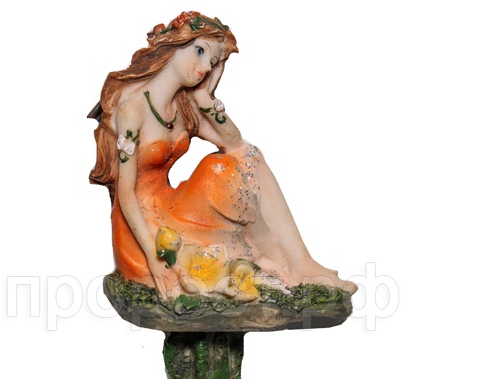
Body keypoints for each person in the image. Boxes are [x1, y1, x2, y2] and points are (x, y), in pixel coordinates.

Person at [88, 11, 357, 300]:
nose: (205, 66)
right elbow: (125, 194)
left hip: (171, 205)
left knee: (248, 156)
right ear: (175, 45)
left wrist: (206, 97)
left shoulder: (184, 106)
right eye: (200, 51)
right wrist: (154, 259)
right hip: (141, 226)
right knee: (219, 170)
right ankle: (281, 264)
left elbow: (235, 144)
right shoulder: (132, 108)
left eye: (213, 62)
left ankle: (300, 263)